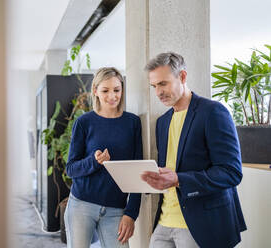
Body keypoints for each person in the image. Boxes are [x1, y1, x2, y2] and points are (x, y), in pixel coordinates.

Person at [141, 52, 247, 248]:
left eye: (163, 84)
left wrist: (179, 179)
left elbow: (231, 172)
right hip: (164, 222)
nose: (158, 92)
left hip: (201, 225)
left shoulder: (213, 112)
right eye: (154, 86)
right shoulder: (162, 122)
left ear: (182, 76)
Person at [64, 67, 142, 248]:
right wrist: (94, 161)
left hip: (117, 209)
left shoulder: (133, 123)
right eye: (105, 91)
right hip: (81, 205)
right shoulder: (84, 122)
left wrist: (131, 214)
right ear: (95, 91)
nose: (112, 96)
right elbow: (71, 168)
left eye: (117, 90)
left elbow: (138, 171)